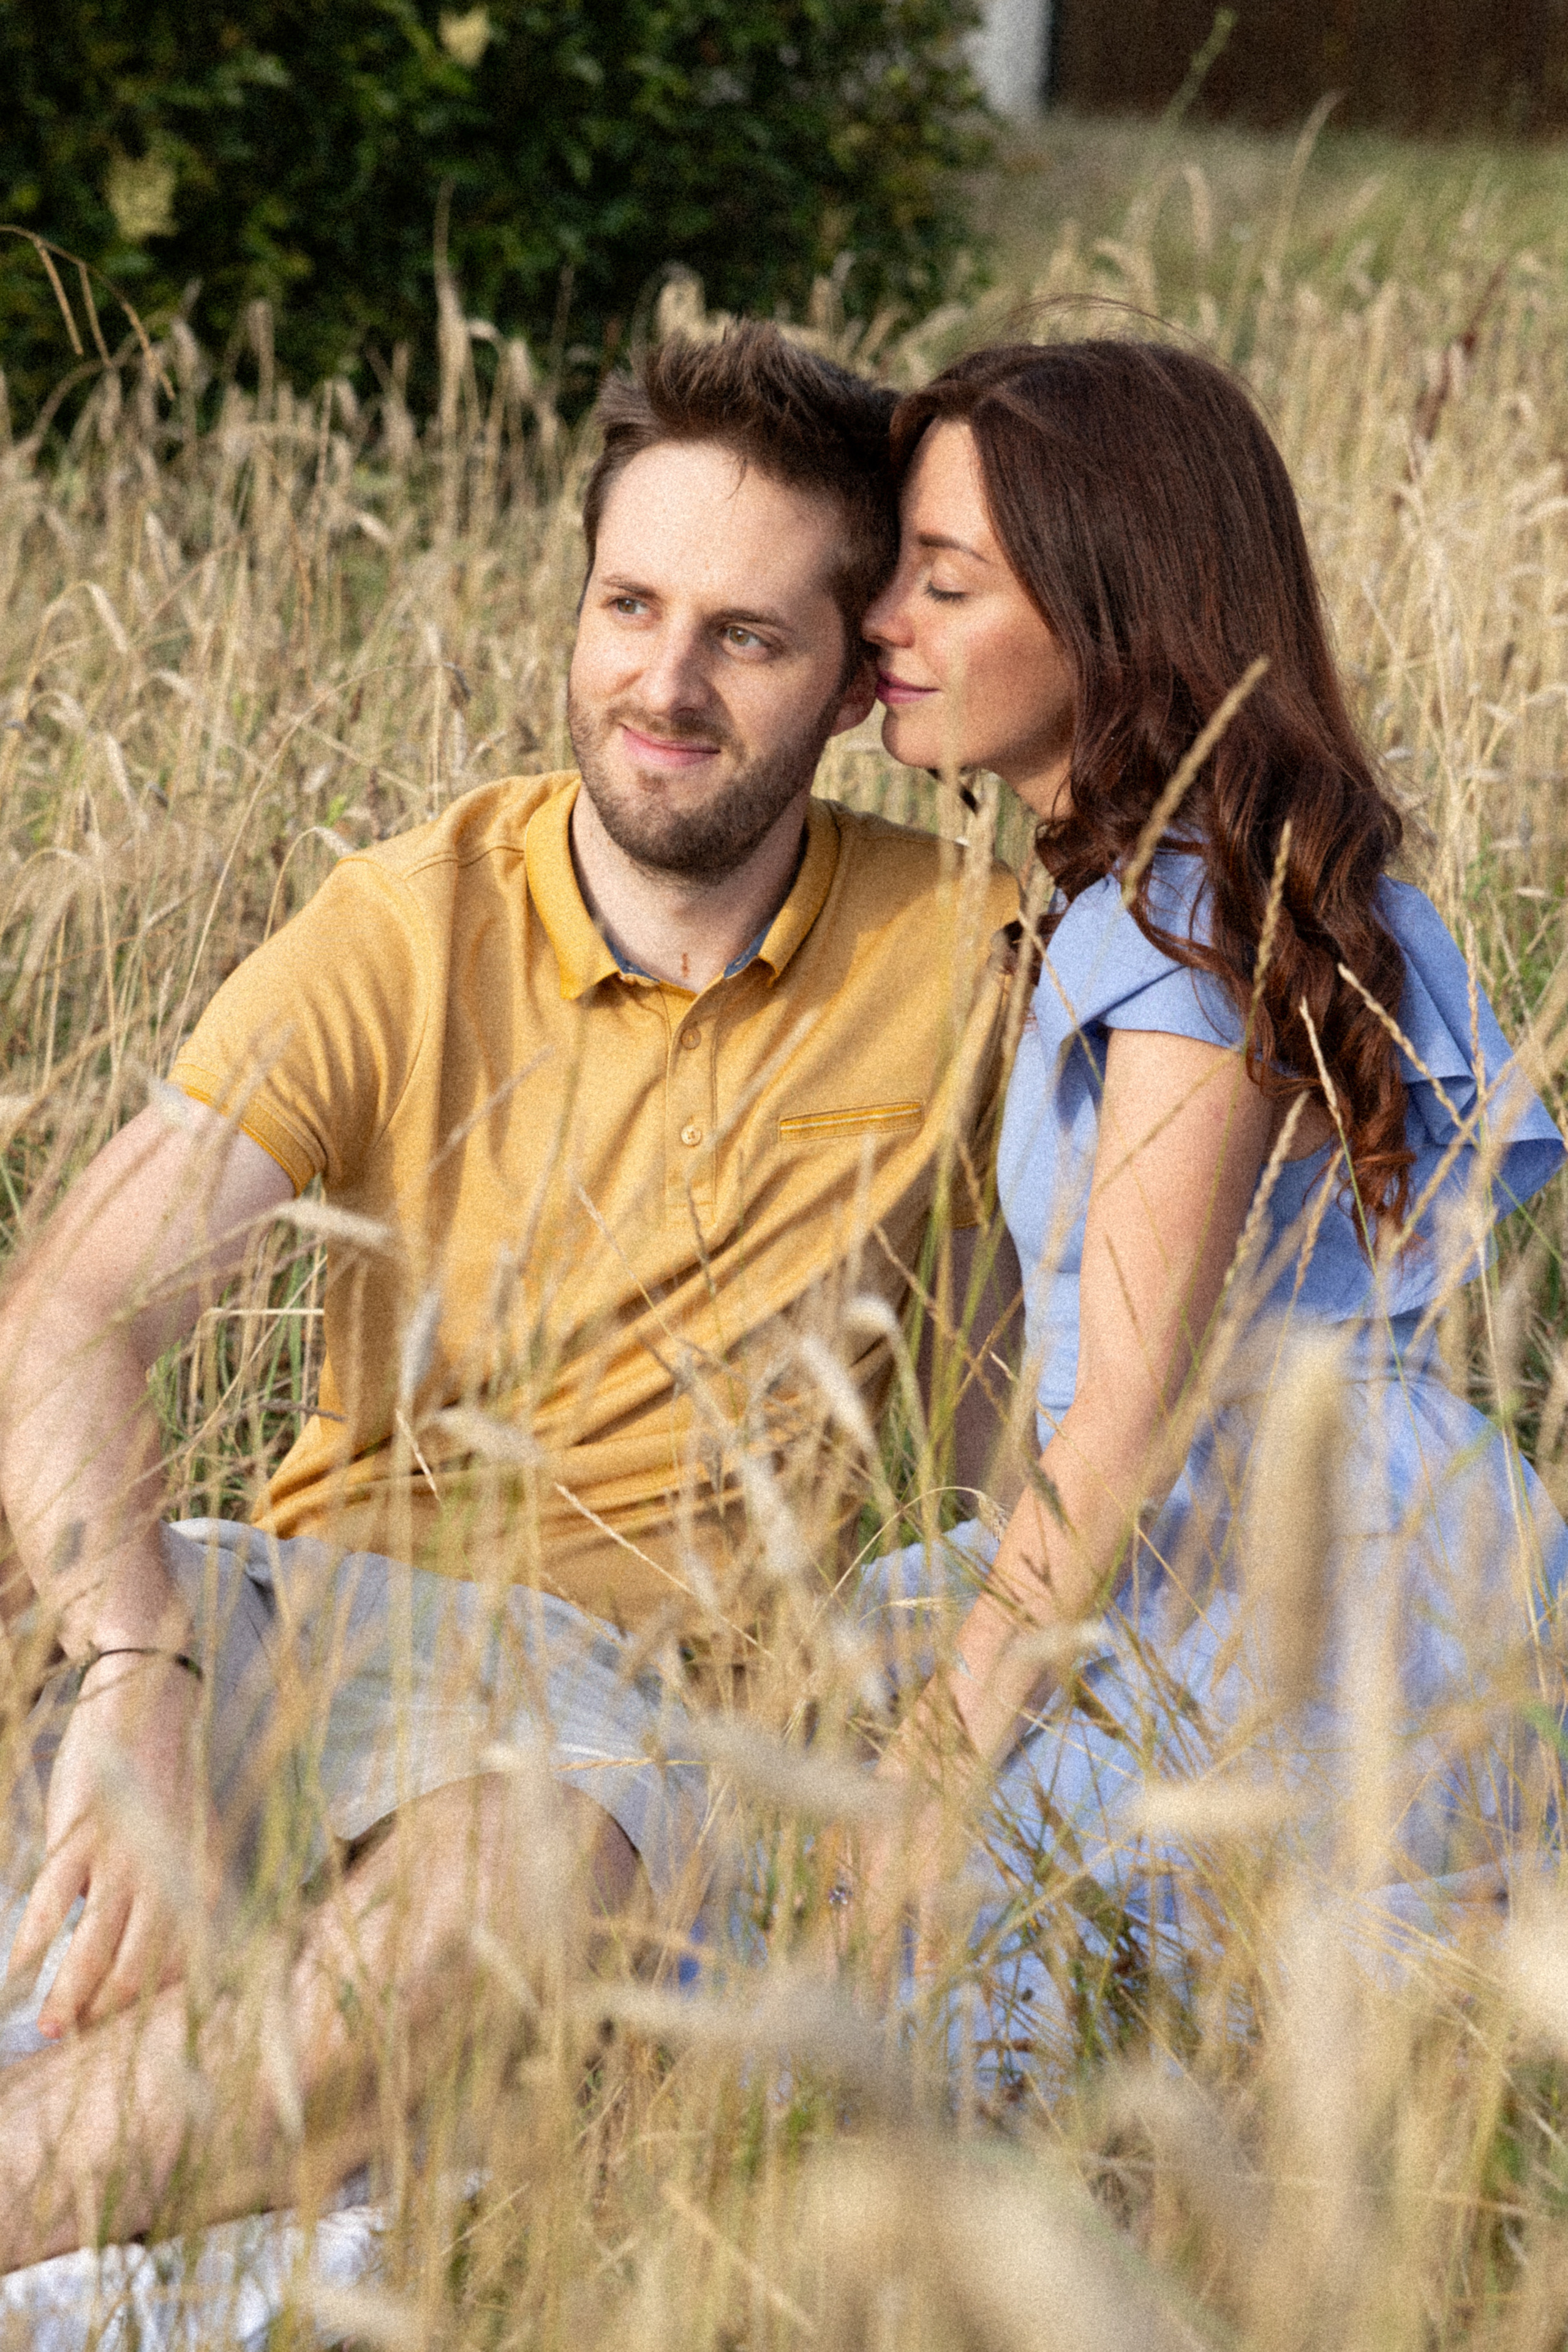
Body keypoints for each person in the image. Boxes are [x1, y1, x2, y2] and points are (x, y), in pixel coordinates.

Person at [0, 322, 1019, 2268]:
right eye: (631, 604)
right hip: (292, 1603)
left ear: (854, 678)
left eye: (746, 635)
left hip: (612, 1717)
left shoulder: (977, 953)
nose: (664, 682)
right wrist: (131, 1669)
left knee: (513, 1889)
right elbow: (69, 1312)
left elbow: (1107, 1354)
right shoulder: (411, 916)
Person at [854, 337, 1568, 2081]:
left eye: (945, 582)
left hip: (1289, 1561)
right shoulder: (1202, 885)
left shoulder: (1185, 920)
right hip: (1297, 1521)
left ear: (1115, 609)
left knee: (987, 2004)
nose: (886, 618)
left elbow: (1128, 1412)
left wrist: (939, 1768)